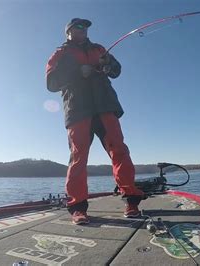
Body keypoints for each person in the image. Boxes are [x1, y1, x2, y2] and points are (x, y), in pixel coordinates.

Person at [45, 18, 145, 224]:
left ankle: (131, 203)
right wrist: (77, 72)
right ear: (69, 32)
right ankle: (78, 207)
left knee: (119, 150)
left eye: (85, 27)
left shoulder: (100, 49)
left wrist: (107, 64)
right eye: (78, 27)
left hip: (105, 107)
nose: (83, 30)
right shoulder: (60, 54)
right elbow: (51, 83)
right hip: (78, 110)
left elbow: (116, 70)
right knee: (78, 156)